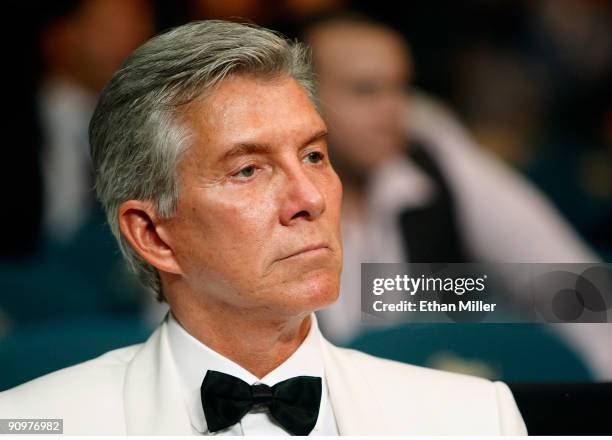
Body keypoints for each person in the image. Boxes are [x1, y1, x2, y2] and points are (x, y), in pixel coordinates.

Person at [0, 20, 526, 435]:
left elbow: (583, 292)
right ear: (153, 235)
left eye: (315, 155)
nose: (311, 198)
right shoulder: (32, 426)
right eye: (248, 169)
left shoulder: (475, 418)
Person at [303, 13, 612, 380]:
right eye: (366, 89)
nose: (393, 109)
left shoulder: (435, 164)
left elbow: (568, 282)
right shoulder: (267, 196)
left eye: (401, 88)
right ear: (303, 96)